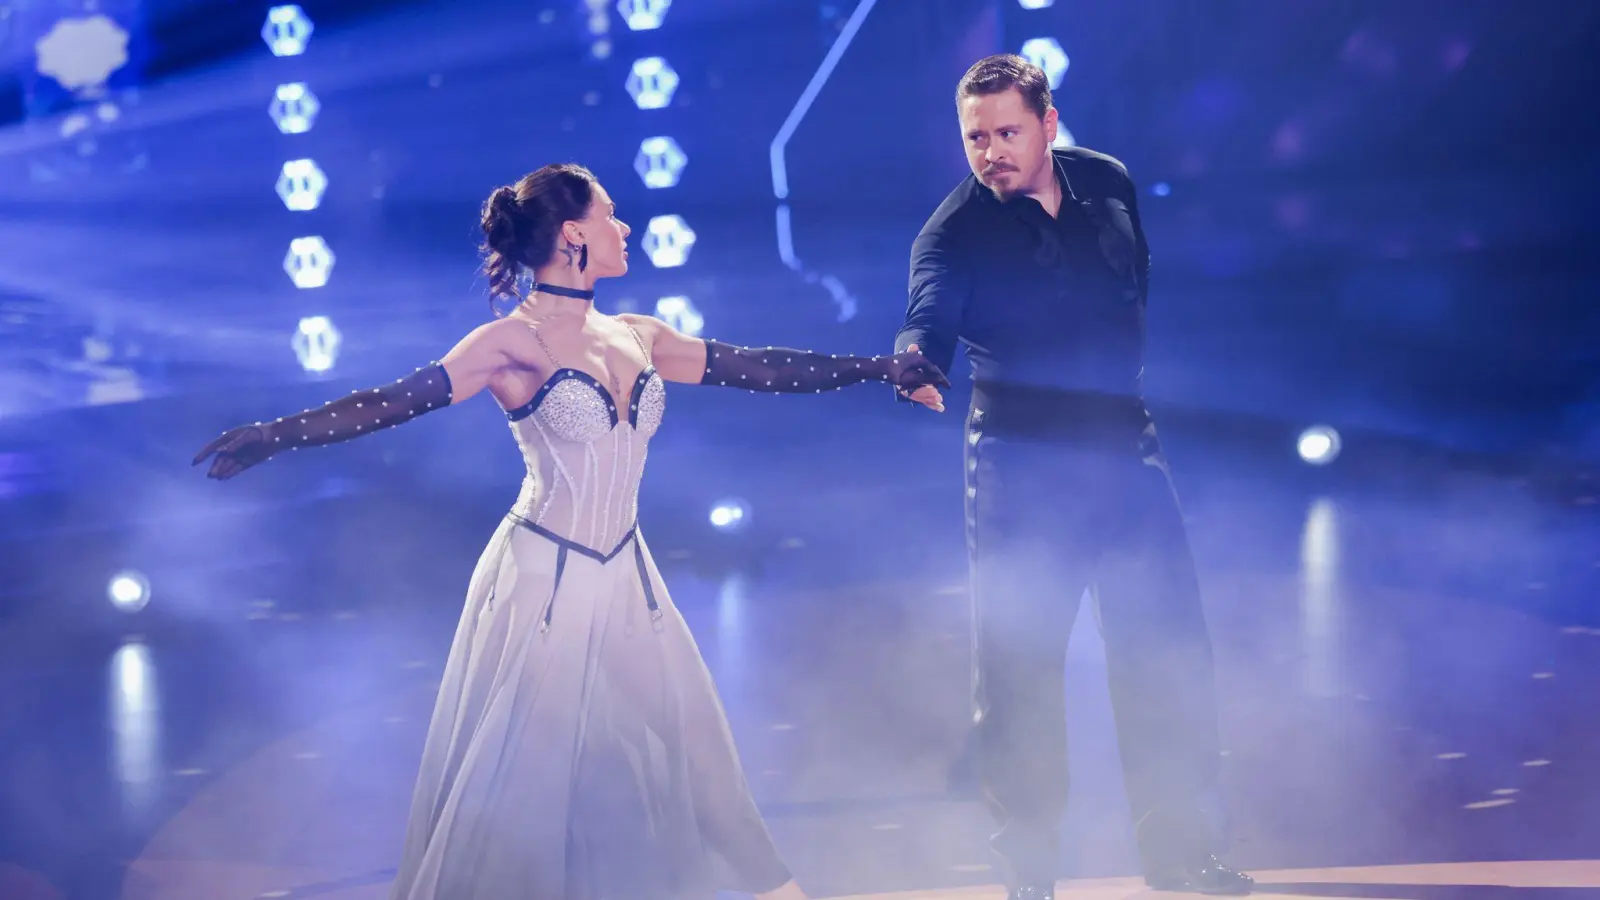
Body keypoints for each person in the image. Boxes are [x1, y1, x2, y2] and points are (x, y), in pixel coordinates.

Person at [193, 162, 949, 900]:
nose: (624, 227)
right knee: (522, 792)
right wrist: (276, 433)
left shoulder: (637, 333)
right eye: (609, 216)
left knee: (696, 749)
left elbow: (758, 367)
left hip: (626, 571)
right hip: (543, 578)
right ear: (571, 236)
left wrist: (882, 368)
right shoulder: (508, 342)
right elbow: (397, 400)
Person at [892, 55, 1254, 897]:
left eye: (1007, 132)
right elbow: (928, 307)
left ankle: (1183, 856)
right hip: (1022, 468)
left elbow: (1138, 288)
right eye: (975, 138)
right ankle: (1030, 877)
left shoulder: (1109, 182)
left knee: (1165, 656)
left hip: (1127, 449)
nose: (991, 153)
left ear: (1048, 123)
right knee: (1019, 674)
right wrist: (917, 359)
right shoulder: (953, 233)